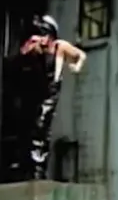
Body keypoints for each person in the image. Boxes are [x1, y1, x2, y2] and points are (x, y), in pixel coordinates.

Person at [14, 14, 86, 179]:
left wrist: (76, 66)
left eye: (46, 34)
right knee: (30, 123)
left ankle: (38, 166)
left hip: (51, 90)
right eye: (41, 34)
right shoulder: (35, 44)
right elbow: (20, 57)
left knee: (42, 122)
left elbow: (81, 55)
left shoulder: (60, 46)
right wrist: (30, 49)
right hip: (38, 88)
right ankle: (29, 164)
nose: (43, 39)